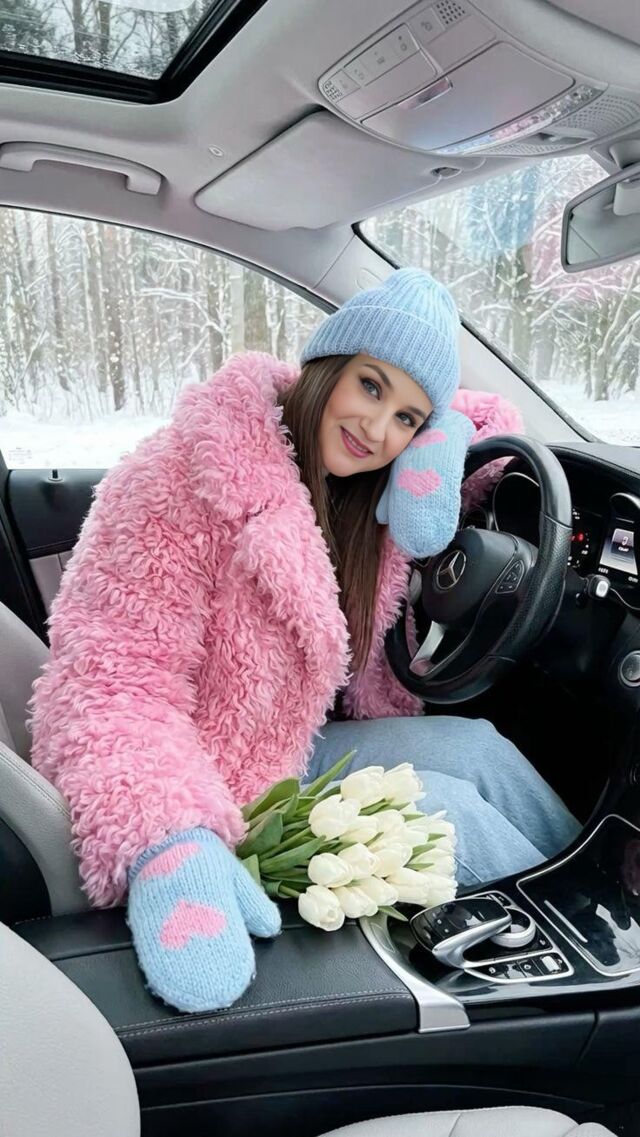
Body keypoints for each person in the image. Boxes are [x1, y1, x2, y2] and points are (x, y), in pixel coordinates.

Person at [28, 268, 580, 1013]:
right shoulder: (179, 476)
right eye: (370, 386)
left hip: (291, 744)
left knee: (483, 751)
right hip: (209, 783)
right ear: (327, 365)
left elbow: (495, 430)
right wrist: (169, 842)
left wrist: (442, 439)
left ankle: (608, 897)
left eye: (407, 418)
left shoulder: (368, 483)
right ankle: (600, 995)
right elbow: (107, 686)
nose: (377, 429)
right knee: (454, 814)